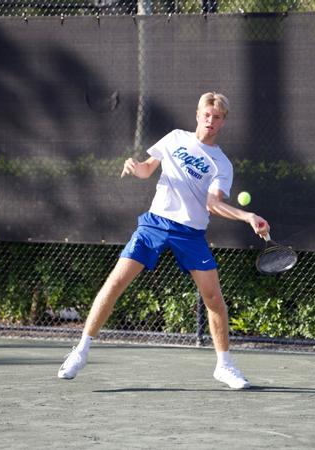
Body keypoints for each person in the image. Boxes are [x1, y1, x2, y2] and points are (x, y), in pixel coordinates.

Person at [57, 92, 270, 389]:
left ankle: (225, 365)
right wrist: (134, 165)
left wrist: (247, 217)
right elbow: (147, 170)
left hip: (191, 233)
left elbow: (212, 203)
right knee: (115, 282)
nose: (210, 121)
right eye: (206, 114)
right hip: (155, 224)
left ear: (223, 122)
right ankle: (80, 351)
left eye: (217, 117)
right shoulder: (174, 139)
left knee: (213, 299)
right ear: (198, 115)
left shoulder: (222, 164)